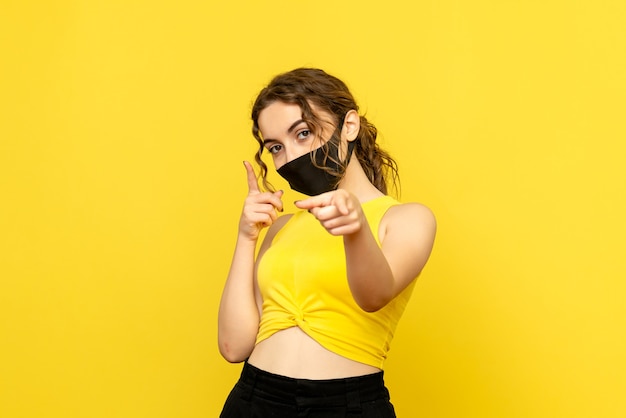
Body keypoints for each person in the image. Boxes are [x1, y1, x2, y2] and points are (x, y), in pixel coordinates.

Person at [218, 68, 436, 417]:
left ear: (349, 126)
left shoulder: (407, 219)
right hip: (254, 399)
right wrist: (247, 237)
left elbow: (373, 296)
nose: (289, 157)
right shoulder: (282, 227)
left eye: (303, 133)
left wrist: (356, 229)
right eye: (275, 147)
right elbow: (233, 346)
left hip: (344, 406)